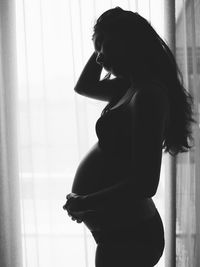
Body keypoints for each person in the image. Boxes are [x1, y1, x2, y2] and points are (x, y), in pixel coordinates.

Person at [63, 7, 194, 267]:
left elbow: (146, 183)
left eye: (106, 46)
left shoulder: (148, 95)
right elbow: (84, 86)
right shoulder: (130, 86)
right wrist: (103, 41)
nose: (99, 58)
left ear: (131, 43)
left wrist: (86, 202)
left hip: (131, 234)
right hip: (121, 231)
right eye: (96, 48)